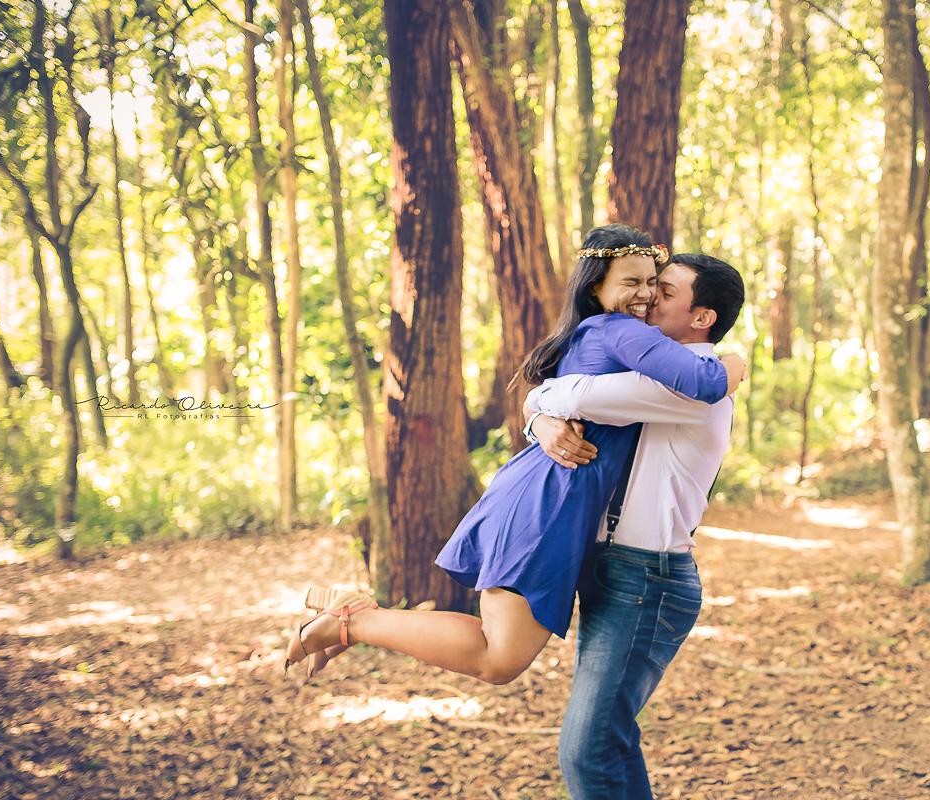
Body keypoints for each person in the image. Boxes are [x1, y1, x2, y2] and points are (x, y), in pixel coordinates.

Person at [283, 226, 745, 687]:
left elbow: (560, 395)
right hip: (553, 499)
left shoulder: (603, 333)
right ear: (595, 288)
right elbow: (703, 383)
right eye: (632, 282)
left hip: (553, 492)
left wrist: (537, 412)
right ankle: (355, 621)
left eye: (653, 283)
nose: (646, 294)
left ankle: (355, 620)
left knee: (497, 652)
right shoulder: (620, 329)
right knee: (497, 657)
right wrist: (735, 363)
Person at [523, 253, 745, 799]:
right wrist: (539, 420)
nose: (647, 298)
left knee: (586, 749)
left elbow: (577, 393)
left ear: (702, 318)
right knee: (610, 743)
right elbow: (570, 394)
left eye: (665, 292)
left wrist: (537, 405)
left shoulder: (693, 385)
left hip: (647, 578)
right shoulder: (664, 368)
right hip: (619, 571)